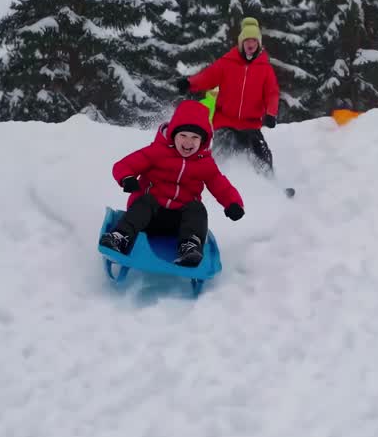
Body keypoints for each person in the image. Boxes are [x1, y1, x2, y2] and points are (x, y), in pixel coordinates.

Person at [100, 100, 245, 267]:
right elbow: (124, 165)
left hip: (179, 224)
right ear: (173, 134)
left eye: (195, 137)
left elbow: (220, 185)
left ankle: (190, 246)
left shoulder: (205, 163)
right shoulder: (156, 152)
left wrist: (233, 203)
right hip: (148, 218)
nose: (188, 142)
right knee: (145, 201)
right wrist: (126, 178)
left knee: (197, 208)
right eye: (183, 136)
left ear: (203, 140)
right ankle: (121, 237)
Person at [175, 17, 279, 175]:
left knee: (260, 149)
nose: (250, 44)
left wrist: (271, 113)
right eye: (247, 40)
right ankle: (211, 175)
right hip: (225, 121)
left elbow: (271, 93)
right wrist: (189, 83)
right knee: (225, 142)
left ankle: (269, 180)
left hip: (250, 125)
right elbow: (207, 77)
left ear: (259, 44)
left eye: (254, 41)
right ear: (241, 43)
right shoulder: (227, 63)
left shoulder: (265, 69)